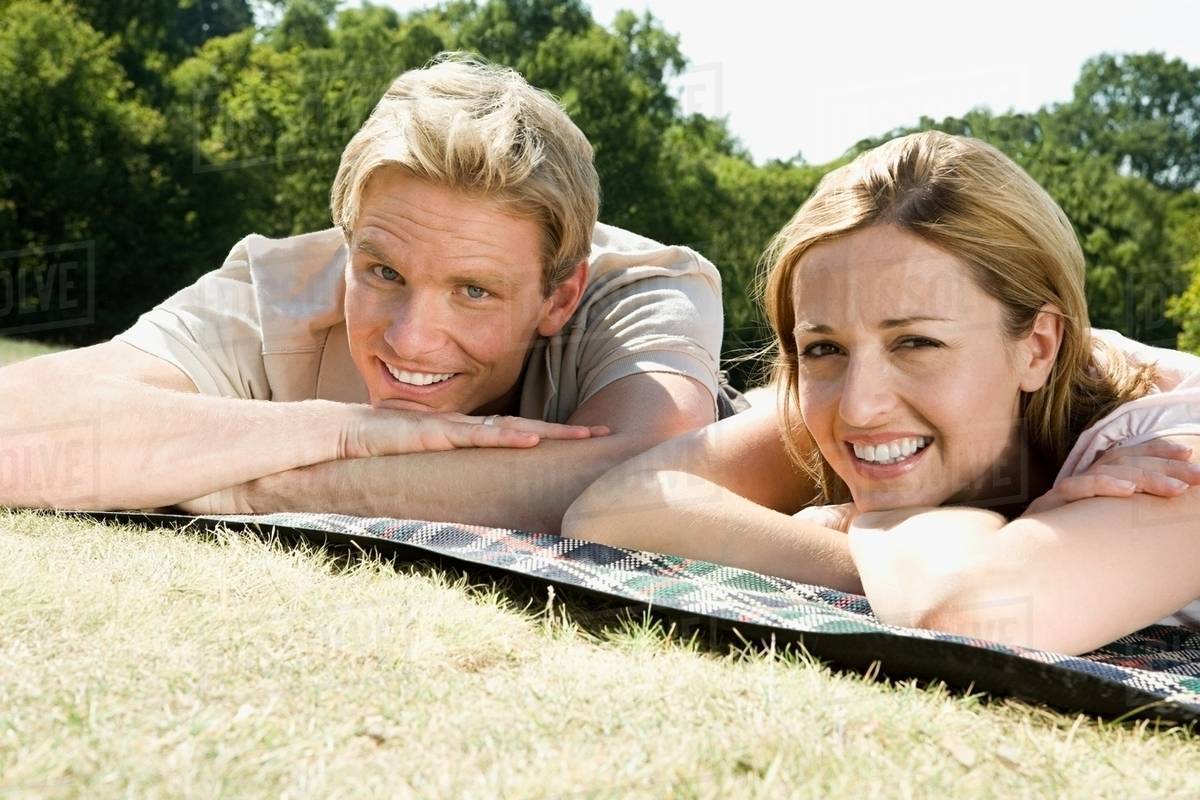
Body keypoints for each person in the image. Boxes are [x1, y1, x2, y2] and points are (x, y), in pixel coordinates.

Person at [0, 55, 734, 534]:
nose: (413, 339)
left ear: (558, 295)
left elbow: (656, 475)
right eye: (382, 273)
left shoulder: (646, 287)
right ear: (348, 242)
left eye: (473, 290)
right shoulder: (278, 288)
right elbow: (15, 433)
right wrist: (342, 431)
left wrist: (267, 493)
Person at [563, 130, 1200, 656]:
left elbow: (972, 616)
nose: (861, 407)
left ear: (1038, 346)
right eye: (822, 348)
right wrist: (870, 557)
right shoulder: (854, 412)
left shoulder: (1173, 450)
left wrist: (882, 520)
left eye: (917, 343)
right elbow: (614, 507)